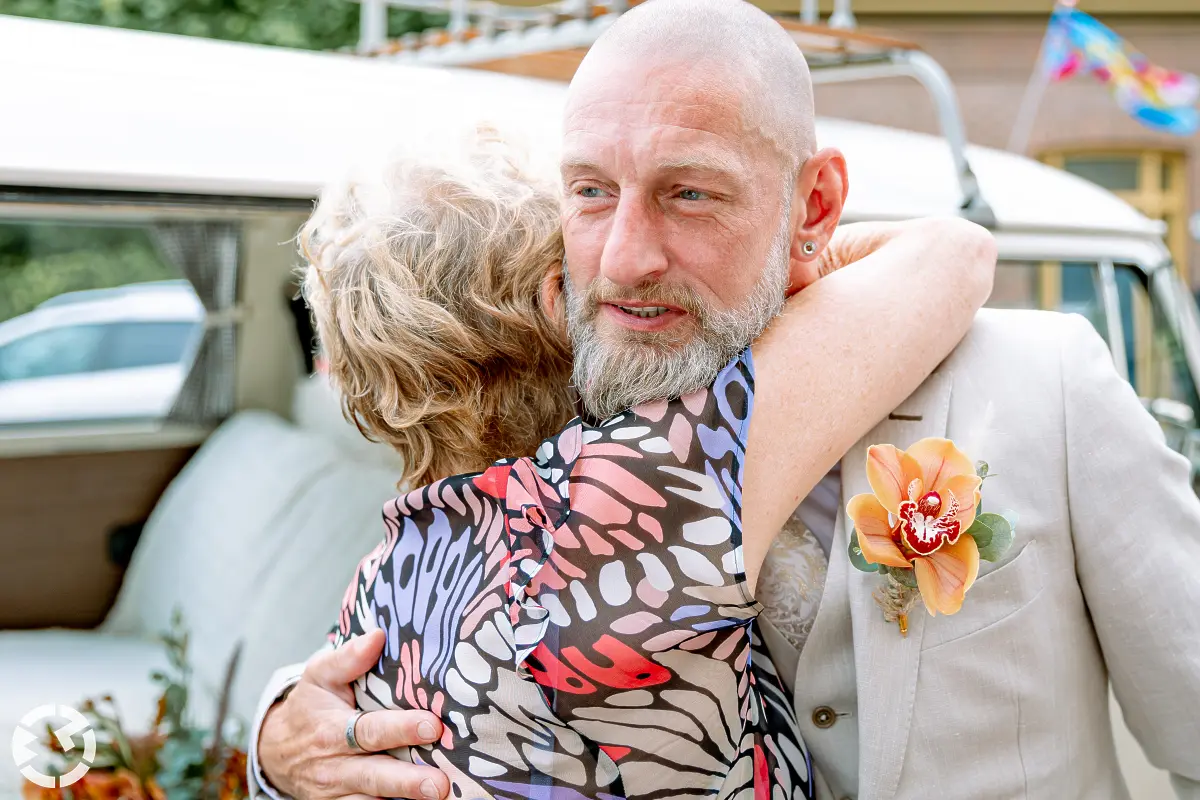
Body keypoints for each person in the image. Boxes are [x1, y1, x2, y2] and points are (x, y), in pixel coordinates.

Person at [251, 1, 1200, 799]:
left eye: (690, 194)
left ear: (815, 204)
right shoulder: (572, 450)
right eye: (588, 192)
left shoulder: (1044, 384)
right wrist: (280, 740)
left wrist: (277, 740)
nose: (624, 258)